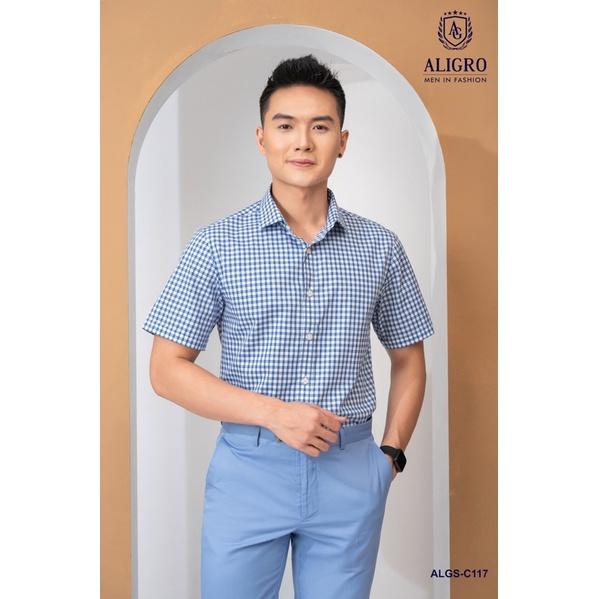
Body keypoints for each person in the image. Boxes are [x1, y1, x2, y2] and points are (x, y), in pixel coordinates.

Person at [142, 54, 434, 599]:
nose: (302, 142)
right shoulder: (216, 245)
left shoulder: (380, 247)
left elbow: (409, 360)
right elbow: (165, 369)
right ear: (262, 138)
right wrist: (274, 414)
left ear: (342, 141)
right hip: (248, 472)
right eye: (285, 126)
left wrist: (389, 458)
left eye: (320, 127)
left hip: (351, 472)